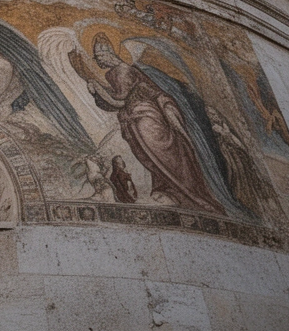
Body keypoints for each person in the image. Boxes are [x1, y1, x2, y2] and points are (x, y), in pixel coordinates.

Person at [82, 35, 224, 215]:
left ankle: (184, 192)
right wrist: (96, 94)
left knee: (160, 153)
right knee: (150, 157)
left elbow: (119, 100)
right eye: (97, 58)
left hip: (146, 117)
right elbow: (112, 103)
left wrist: (97, 88)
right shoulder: (112, 73)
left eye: (100, 56)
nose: (99, 61)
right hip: (134, 118)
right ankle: (168, 189)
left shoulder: (122, 69)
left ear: (109, 53)